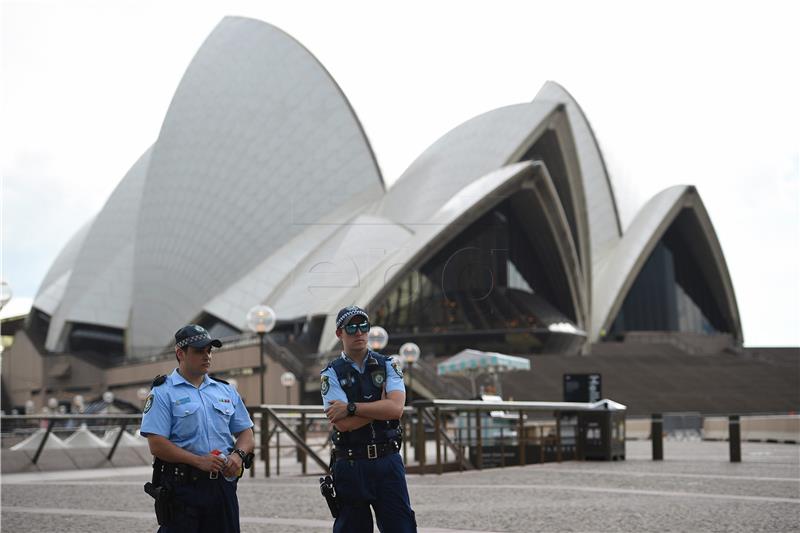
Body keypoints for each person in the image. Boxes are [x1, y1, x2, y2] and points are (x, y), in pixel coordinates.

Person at [141, 324, 255, 533]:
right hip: (182, 489)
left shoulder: (225, 390)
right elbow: (156, 444)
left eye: (209, 351)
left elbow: (246, 432)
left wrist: (238, 456)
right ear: (180, 353)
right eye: (199, 351)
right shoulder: (163, 392)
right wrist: (198, 461)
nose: (207, 356)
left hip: (222, 487)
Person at [321, 305, 417, 533]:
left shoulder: (389, 364)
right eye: (351, 327)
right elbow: (342, 424)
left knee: (401, 528)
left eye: (363, 326)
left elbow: (395, 409)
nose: (359, 332)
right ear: (339, 334)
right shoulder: (331, 373)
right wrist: (379, 407)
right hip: (351, 463)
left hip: (388, 461)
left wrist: (351, 407)